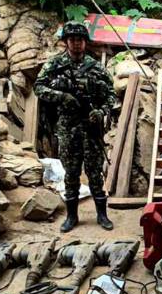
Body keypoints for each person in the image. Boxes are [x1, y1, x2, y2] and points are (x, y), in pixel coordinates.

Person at [34, 21, 117, 233]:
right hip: (68, 128)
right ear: (66, 42)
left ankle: (102, 215)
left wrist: (101, 112)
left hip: (91, 129)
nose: (76, 43)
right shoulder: (55, 65)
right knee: (71, 174)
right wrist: (61, 96)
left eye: (80, 39)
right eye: (72, 39)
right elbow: (39, 87)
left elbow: (111, 95)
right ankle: (72, 216)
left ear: (85, 42)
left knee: (95, 173)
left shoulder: (96, 67)